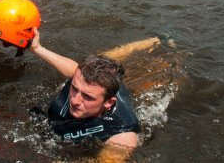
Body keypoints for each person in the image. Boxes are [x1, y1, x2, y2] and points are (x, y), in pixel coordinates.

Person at [29, 28, 160, 161]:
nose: (75, 101)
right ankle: (152, 41)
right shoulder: (80, 78)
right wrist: (36, 48)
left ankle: (159, 41)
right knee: (100, 62)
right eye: (74, 88)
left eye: (88, 97)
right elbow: (74, 69)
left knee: (151, 82)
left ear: (108, 103)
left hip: (121, 98)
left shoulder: (122, 136)